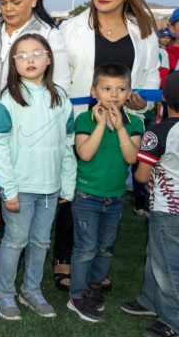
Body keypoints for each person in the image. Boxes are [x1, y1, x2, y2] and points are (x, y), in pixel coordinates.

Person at [59, 0, 159, 288]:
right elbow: (59, 79)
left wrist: (141, 105)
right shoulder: (72, 28)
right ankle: (64, 260)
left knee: (109, 191)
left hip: (121, 126)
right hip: (81, 123)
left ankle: (99, 264)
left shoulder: (143, 32)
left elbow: (150, 81)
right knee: (71, 188)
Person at [0, 33, 76, 320]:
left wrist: (68, 183)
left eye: (37, 53)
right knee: (15, 241)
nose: (30, 60)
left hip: (51, 189)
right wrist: (8, 189)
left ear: (49, 58)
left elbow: (68, 144)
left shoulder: (61, 98)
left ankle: (31, 290)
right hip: (20, 188)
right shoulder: (6, 99)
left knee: (40, 242)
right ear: (13, 62)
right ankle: (4, 293)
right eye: (22, 55)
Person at [67, 63, 143, 323]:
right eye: (107, 88)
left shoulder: (134, 123)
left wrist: (120, 127)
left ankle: (94, 286)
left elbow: (132, 157)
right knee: (86, 247)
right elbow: (85, 154)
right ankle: (77, 295)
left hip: (116, 197)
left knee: (105, 248)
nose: (114, 95)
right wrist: (101, 125)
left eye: (121, 89)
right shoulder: (84, 119)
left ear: (129, 92)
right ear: (93, 90)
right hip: (87, 195)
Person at [122, 71, 179, 337]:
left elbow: (142, 176)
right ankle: (149, 298)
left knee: (167, 265)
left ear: (164, 97)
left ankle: (173, 320)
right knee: (155, 255)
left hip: (167, 209)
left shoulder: (159, 132)